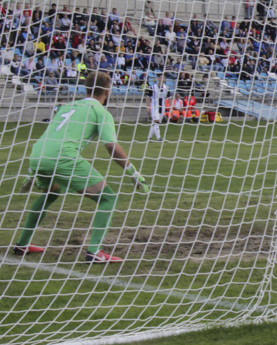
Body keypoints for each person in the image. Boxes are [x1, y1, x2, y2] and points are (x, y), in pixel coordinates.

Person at [13, 71, 149, 264]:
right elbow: (111, 146)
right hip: (61, 156)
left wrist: (31, 173)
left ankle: (22, 244)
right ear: (108, 90)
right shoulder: (100, 112)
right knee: (108, 198)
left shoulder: (67, 106)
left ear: (87, 87)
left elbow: (50, 136)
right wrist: (133, 173)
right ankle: (94, 251)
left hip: (38, 154)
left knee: (50, 194)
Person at [147, 76, 170, 142]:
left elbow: (169, 97)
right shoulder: (152, 87)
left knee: (156, 123)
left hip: (162, 107)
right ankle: (159, 138)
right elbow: (148, 97)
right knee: (156, 121)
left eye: (164, 78)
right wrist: (147, 106)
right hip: (154, 106)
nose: (162, 79)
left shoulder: (166, 87)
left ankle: (149, 137)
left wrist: (171, 106)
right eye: (160, 77)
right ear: (158, 79)